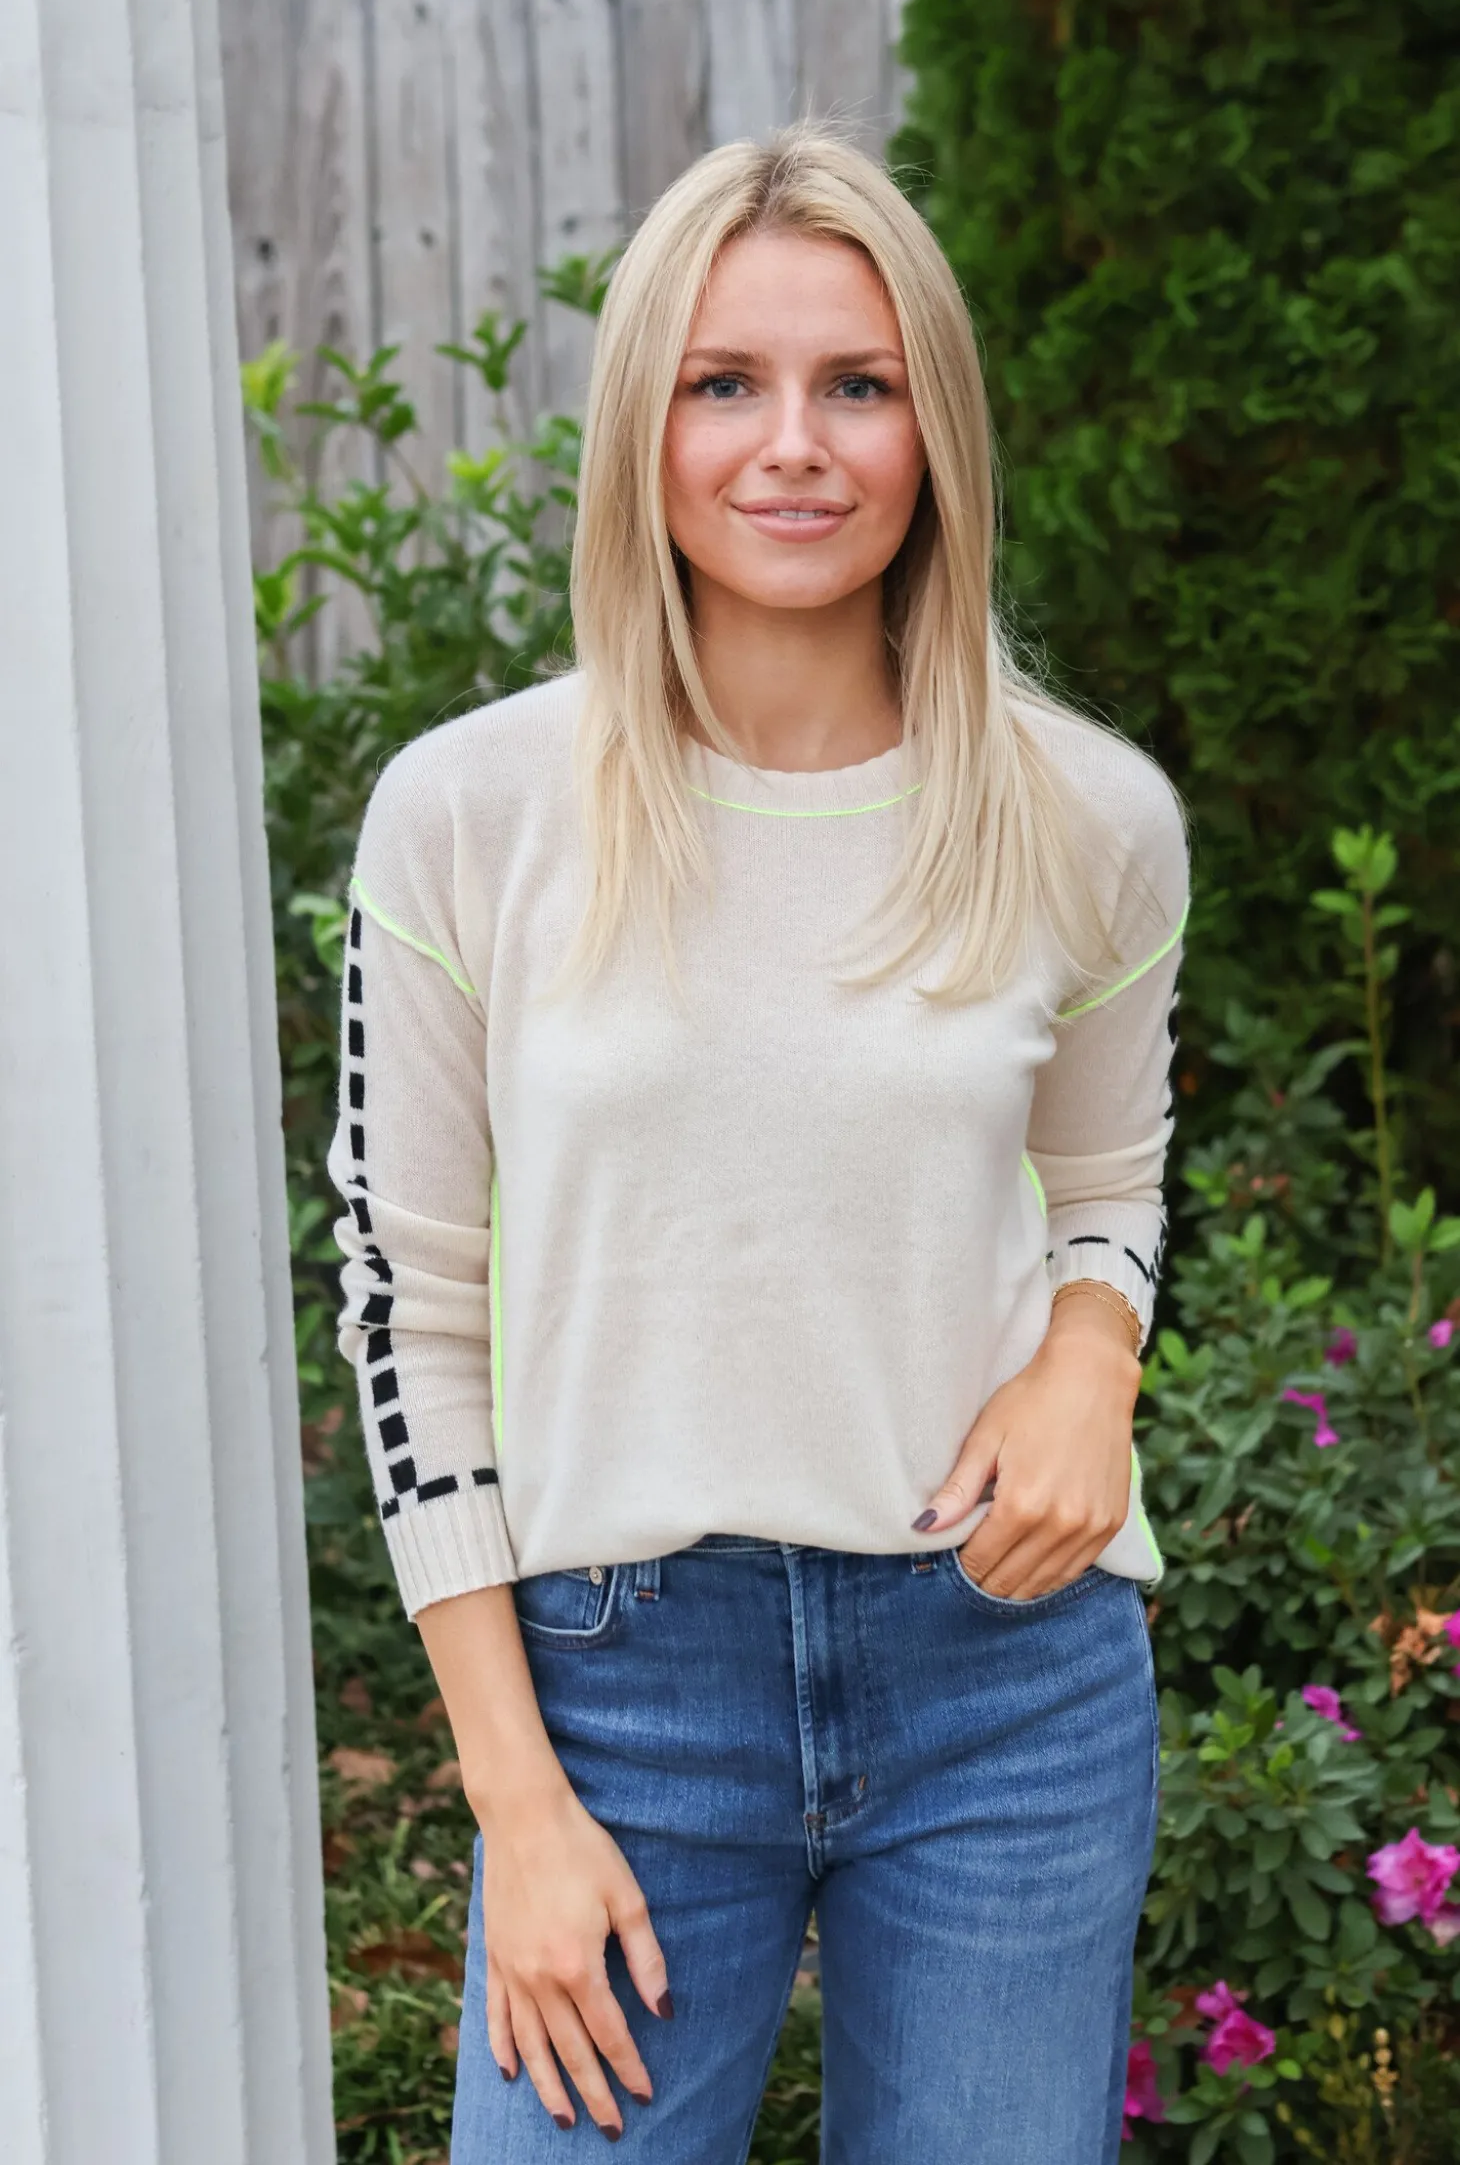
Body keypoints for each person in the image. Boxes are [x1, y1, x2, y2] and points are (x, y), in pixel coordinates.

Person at [327, 120, 1188, 2164]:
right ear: (643, 424)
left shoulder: (1088, 818)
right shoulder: (468, 815)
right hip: (616, 1699)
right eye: (726, 383)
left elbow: (1106, 1190)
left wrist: (1091, 1358)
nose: (792, 446)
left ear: (933, 430)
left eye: (856, 385)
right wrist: (517, 1803)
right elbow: (403, 1305)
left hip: (1005, 1682)